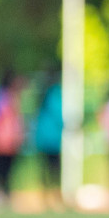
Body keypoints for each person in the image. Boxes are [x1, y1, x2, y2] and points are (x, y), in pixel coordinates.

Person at [0, 72, 26, 207]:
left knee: (7, 171)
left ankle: (5, 196)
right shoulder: (2, 97)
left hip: (11, 142)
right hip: (1, 142)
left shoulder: (13, 97)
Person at [33, 72, 64, 210]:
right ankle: (56, 198)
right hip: (53, 140)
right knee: (55, 171)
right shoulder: (54, 94)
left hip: (42, 138)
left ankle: (45, 198)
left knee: (45, 170)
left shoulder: (42, 95)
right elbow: (58, 115)